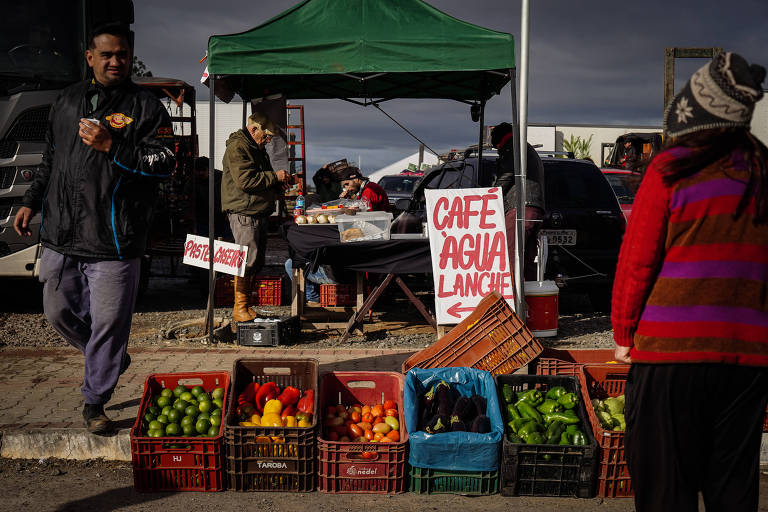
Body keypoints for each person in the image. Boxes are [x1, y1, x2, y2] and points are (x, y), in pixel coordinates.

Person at [611, 52, 768, 511]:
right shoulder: (763, 171)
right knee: (732, 487)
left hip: (671, 357)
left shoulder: (671, 168)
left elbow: (637, 263)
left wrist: (624, 333)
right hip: (747, 361)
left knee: (664, 489)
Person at [12, 24, 176, 435]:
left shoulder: (146, 106)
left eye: (122, 54)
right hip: (62, 233)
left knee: (109, 325)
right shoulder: (66, 100)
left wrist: (112, 146)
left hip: (115, 238)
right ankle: (110, 358)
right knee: (56, 310)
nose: (115, 61)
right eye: (106, 55)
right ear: (90, 58)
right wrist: (30, 201)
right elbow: (52, 158)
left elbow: (165, 163)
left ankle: (94, 400)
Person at [221, 112, 294, 323]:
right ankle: (240, 308)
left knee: (255, 261)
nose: (269, 139)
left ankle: (244, 306)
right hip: (245, 211)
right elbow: (246, 181)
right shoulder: (238, 148)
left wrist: (278, 183)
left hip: (255, 211)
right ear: (253, 130)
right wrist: (275, 177)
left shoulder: (256, 149)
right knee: (246, 261)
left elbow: (260, 179)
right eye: (267, 135)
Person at [490, 122, 546, 282]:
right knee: (527, 262)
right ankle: (530, 301)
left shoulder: (512, 147)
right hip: (535, 209)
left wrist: (490, 196)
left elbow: (506, 177)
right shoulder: (525, 147)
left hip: (520, 209)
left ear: (499, 141)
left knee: (511, 260)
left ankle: (514, 303)